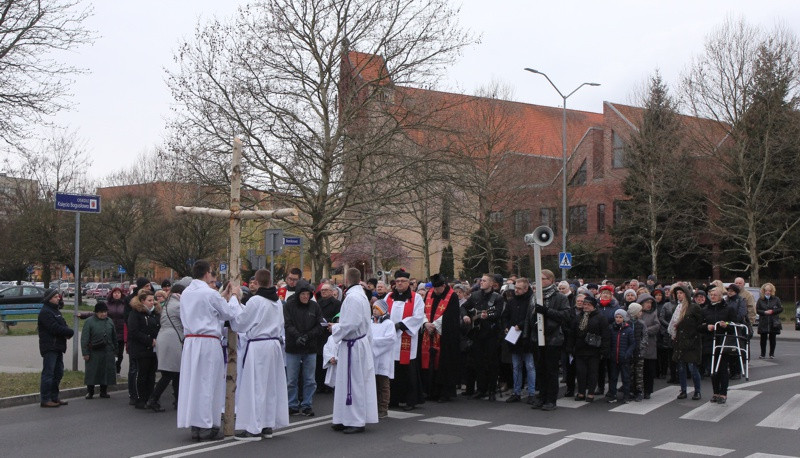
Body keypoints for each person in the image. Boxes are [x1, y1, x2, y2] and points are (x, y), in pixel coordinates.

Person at [177, 260, 243, 442]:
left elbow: (210, 305)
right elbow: (228, 313)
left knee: (193, 384)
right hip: (207, 343)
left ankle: (196, 426)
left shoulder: (187, 293)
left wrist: (221, 295)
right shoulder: (209, 293)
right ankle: (207, 425)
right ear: (207, 274)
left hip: (190, 342)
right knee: (208, 383)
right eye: (212, 274)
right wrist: (235, 296)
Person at [230, 269, 289, 441]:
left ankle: (253, 428)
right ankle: (267, 424)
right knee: (270, 386)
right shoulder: (277, 301)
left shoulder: (256, 301)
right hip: (274, 345)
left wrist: (234, 299)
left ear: (256, 281)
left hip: (259, 346)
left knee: (256, 386)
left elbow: (241, 324)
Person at [329, 268, 378, 434]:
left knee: (354, 383)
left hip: (353, 345)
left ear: (346, 279)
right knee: (344, 382)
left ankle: (356, 421)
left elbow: (351, 324)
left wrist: (335, 328)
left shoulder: (354, 298)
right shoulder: (360, 295)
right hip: (353, 344)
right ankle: (343, 418)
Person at [529, 269, 572, 411]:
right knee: (540, 369)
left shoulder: (560, 297)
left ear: (551, 280)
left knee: (551, 370)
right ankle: (541, 396)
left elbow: (565, 315)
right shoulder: (535, 296)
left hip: (553, 338)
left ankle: (551, 399)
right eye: (538, 279)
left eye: (543, 279)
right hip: (537, 337)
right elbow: (529, 316)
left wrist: (546, 312)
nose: (540, 282)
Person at [386, 269, 425, 410]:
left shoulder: (416, 298)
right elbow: (381, 311)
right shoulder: (389, 297)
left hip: (406, 337)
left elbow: (418, 317)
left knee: (407, 371)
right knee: (393, 371)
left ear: (408, 283)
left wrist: (401, 325)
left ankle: (410, 400)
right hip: (391, 338)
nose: (400, 283)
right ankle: (393, 399)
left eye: (403, 281)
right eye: (397, 281)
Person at [284, 279, 323, 416]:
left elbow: (320, 325)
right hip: (293, 346)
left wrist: (307, 336)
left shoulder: (314, 306)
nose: (305, 296)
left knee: (309, 379)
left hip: (310, 346)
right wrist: (297, 336)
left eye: (307, 294)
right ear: (298, 294)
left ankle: (307, 404)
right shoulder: (289, 305)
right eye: (303, 294)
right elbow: (287, 324)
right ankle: (292, 404)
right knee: (292, 379)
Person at [420, 273, 461, 403]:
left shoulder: (452, 296)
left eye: (438, 289)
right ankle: (430, 391)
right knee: (429, 362)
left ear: (443, 286)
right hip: (429, 332)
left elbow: (450, 316)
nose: (436, 291)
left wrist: (435, 325)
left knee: (443, 363)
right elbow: (423, 310)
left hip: (444, 335)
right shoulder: (429, 293)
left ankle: (444, 392)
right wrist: (426, 323)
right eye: (435, 289)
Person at [462, 274, 503, 401]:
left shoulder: (497, 297)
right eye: (481, 280)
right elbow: (463, 307)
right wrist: (465, 316)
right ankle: (481, 389)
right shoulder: (475, 295)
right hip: (477, 333)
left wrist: (488, 316)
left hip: (491, 334)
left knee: (491, 363)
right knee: (478, 362)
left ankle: (491, 390)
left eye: (484, 281)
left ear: (491, 284)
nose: (481, 282)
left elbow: (497, 312)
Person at [149, 279, 189, 412]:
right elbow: (187, 321)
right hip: (172, 339)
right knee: (169, 373)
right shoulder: (178, 306)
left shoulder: (168, 304)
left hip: (165, 338)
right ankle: (153, 399)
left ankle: (178, 400)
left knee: (175, 372)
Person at [38, 289, 74, 408]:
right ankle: (45, 399)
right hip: (50, 346)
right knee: (49, 373)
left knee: (58, 372)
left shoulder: (56, 311)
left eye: (58, 296)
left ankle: (54, 397)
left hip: (58, 346)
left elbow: (63, 325)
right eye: (55, 297)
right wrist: (69, 332)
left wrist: (67, 332)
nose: (58, 298)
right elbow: (54, 328)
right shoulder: (45, 312)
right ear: (49, 298)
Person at [502, 277, 536, 404]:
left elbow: (532, 317)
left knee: (530, 366)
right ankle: (516, 392)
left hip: (527, 338)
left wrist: (521, 325)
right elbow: (505, 316)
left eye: (519, 288)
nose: (516, 290)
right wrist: (506, 327)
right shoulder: (511, 301)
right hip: (513, 338)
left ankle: (532, 393)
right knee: (516, 366)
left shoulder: (531, 300)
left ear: (526, 288)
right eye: (515, 288)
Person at [702, 287, 738, 404]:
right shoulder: (706, 309)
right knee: (712, 369)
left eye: (715, 295)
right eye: (711, 295)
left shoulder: (728, 309)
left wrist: (725, 325)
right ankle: (715, 392)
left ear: (721, 296)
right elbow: (700, 325)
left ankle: (723, 393)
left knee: (722, 368)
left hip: (723, 342)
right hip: (709, 341)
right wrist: (707, 327)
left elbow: (735, 325)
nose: (712, 297)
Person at [128, 289, 161, 410]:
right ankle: (140, 399)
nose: (152, 302)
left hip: (153, 349)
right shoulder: (135, 313)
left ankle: (150, 398)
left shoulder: (155, 313)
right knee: (142, 374)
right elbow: (134, 331)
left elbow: (158, 327)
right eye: (149, 300)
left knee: (151, 375)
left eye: (153, 300)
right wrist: (148, 340)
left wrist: (157, 339)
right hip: (141, 349)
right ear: (142, 301)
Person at [571, 295, 609, 402]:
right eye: (584, 304)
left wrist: (604, 350)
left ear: (593, 306)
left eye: (588, 305)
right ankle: (581, 392)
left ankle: (591, 393)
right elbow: (572, 333)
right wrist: (571, 347)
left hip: (594, 350)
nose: (586, 307)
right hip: (580, 350)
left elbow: (605, 335)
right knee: (580, 372)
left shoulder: (600, 318)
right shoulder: (578, 317)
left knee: (593, 372)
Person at [670, 285, 703, 400]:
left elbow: (700, 324)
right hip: (679, 341)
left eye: (681, 293)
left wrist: (693, 336)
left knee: (692, 368)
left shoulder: (694, 307)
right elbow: (673, 325)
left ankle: (697, 391)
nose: (679, 295)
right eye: (677, 293)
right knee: (681, 368)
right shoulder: (677, 308)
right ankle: (683, 390)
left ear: (686, 294)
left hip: (691, 341)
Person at [81, 302, 117, 399]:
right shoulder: (89, 322)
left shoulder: (109, 321)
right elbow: (85, 338)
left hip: (108, 351)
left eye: (105, 312)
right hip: (94, 352)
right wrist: (85, 353)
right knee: (92, 372)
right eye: (101, 312)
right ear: (96, 312)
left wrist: (115, 350)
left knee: (106, 372)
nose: (104, 314)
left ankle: (103, 391)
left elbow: (114, 337)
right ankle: (90, 391)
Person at [370, 299, 396, 418]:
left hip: (383, 357)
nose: (374, 311)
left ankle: (383, 408)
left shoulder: (388, 323)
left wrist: (373, 343)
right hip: (371, 356)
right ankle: (372, 407)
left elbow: (390, 340)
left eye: (377, 309)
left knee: (383, 384)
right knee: (372, 383)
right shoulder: (370, 322)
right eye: (374, 308)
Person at [315, 282, 341, 393]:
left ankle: (329, 385)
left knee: (329, 358)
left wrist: (331, 323)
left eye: (326, 290)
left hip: (330, 333)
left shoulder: (337, 303)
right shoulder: (317, 303)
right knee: (319, 359)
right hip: (318, 334)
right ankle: (319, 383)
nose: (323, 292)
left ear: (332, 291)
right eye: (322, 290)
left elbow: (339, 318)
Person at [596, 285, 620, 395]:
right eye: (603, 292)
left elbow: (618, 320)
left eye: (607, 293)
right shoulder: (596, 306)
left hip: (612, 338)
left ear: (611, 295)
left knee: (611, 366)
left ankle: (612, 389)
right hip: (599, 338)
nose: (605, 295)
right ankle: (600, 387)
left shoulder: (616, 306)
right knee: (600, 365)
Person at [606, 309, 634, 404]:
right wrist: (610, 353)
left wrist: (627, 354)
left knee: (625, 377)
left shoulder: (628, 330)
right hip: (614, 358)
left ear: (624, 318)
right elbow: (609, 342)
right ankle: (612, 394)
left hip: (624, 358)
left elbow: (632, 344)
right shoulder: (612, 329)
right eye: (616, 317)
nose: (618, 319)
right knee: (613, 377)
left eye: (620, 317)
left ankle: (626, 395)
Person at [638, 293, 660, 399]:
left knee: (649, 370)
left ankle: (648, 390)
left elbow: (657, 326)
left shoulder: (653, 314)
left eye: (650, 303)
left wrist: (645, 330)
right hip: (638, 345)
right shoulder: (637, 313)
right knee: (638, 370)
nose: (649, 305)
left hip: (650, 345)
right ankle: (638, 389)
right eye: (647, 303)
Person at [756, 282, 783, 359]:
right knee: (763, 339)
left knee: (772, 338)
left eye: (770, 291)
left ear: (772, 291)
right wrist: (764, 312)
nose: (768, 292)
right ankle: (762, 354)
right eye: (766, 290)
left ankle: (771, 354)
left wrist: (773, 311)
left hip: (773, 321)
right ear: (763, 291)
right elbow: (757, 310)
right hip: (764, 321)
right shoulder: (760, 300)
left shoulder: (776, 299)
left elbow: (780, 308)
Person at [626, 303, 646, 402]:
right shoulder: (627, 323)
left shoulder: (642, 324)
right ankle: (630, 390)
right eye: (640, 311)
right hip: (629, 352)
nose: (641, 313)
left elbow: (644, 337)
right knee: (629, 372)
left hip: (639, 352)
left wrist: (640, 347)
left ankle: (639, 391)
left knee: (639, 373)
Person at [105, 287, 127, 375]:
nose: (116, 294)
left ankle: (117, 369)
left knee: (120, 353)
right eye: (115, 293)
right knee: (110, 352)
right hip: (110, 332)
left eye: (118, 293)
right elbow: (97, 313)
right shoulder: (107, 304)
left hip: (121, 332)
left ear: (121, 294)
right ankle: (110, 370)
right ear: (112, 294)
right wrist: (83, 315)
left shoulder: (125, 305)